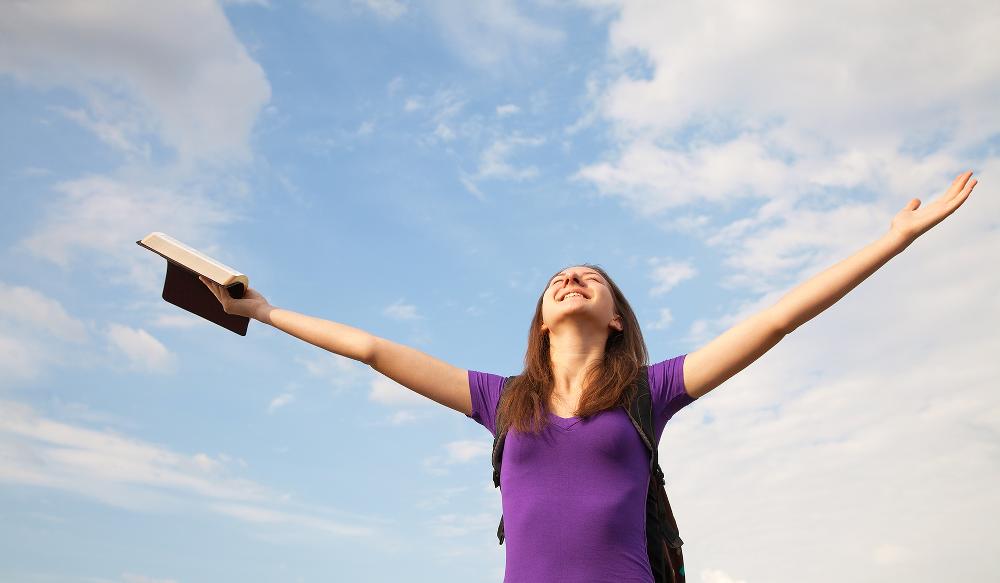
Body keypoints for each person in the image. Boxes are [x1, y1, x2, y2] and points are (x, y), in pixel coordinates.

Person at [200, 171, 978, 582]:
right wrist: (266, 311)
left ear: (615, 318)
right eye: (559, 279)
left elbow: (775, 320)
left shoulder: (651, 391)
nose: (572, 279)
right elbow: (371, 348)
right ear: (542, 318)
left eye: (591, 278)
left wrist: (893, 242)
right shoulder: (500, 400)